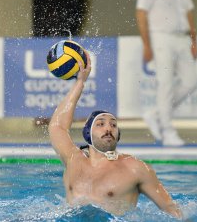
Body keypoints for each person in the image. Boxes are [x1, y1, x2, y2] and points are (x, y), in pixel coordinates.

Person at [48, 51, 183, 218]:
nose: (108, 128)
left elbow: (171, 209)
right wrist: (80, 82)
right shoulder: (73, 159)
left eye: (113, 125)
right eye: (100, 124)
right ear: (88, 134)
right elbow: (57, 127)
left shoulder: (135, 168)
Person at [136, 0, 197, 146]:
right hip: (160, 37)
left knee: (191, 82)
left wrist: (194, 40)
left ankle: (156, 114)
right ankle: (167, 131)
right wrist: (147, 45)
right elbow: (141, 13)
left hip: (182, 37)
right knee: (166, 83)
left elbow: (188, 11)